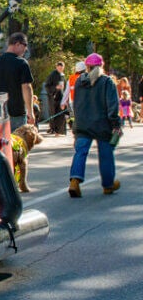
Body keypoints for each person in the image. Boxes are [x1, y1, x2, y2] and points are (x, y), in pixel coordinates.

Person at [68, 53, 120, 197]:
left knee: (81, 152)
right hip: (102, 124)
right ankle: (108, 185)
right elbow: (112, 106)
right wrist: (116, 123)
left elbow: (76, 103)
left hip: (83, 123)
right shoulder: (107, 82)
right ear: (101, 66)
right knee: (105, 154)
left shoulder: (79, 81)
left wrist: (76, 120)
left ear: (87, 67)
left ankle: (75, 181)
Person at [0, 32, 34, 129]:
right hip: (16, 112)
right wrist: (30, 112)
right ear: (17, 44)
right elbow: (26, 88)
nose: (25, 49)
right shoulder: (22, 63)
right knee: (18, 143)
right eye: (25, 45)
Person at [43, 61, 67, 135]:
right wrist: (55, 88)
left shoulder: (62, 75)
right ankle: (54, 129)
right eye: (59, 67)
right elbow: (47, 86)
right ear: (56, 67)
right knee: (54, 113)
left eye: (61, 68)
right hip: (53, 97)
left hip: (61, 96)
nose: (60, 69)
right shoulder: (52, 75)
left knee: (61, 113)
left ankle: (60, 130)